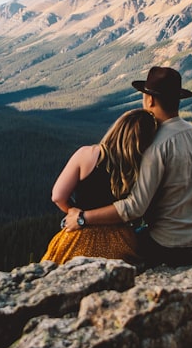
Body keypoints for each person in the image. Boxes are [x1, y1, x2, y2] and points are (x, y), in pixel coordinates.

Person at [63, 66, 192, 267]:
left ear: (150, 100)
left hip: (169, 245)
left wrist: (82, 218)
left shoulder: (154, 145)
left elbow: (135, 207)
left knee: (114, 247)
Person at [42, 108, 158, 265]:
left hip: (80, 236)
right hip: (120, 240)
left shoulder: (86, 154)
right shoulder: (142, 165)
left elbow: (57, 195)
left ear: (117, 128)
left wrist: (74, 212)